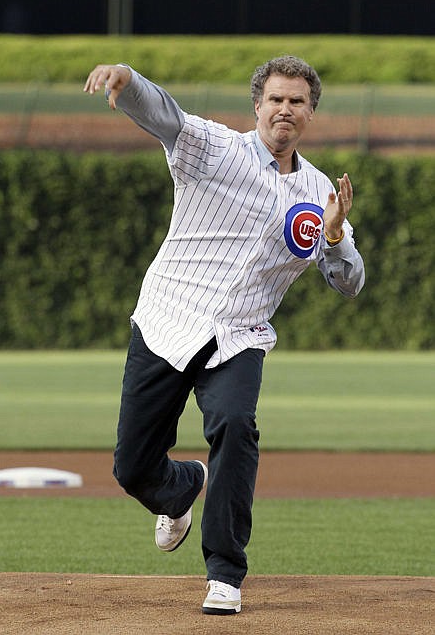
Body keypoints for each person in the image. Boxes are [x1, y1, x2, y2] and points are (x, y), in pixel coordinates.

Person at [84, 55, 365, 615]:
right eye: (276, 99)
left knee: (236, 426)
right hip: (168, 318)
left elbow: (348, 281)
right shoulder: (213, 146)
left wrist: (335, 237)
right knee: (132, 467)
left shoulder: (318, 194)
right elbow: (165, 116)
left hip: (240, 335)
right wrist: (128, 79)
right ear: (257, 105)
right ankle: (182, 486)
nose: (285, 110)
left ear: (310, 113)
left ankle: (225, 574)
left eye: (298, 102)